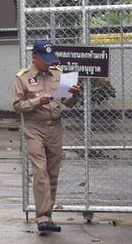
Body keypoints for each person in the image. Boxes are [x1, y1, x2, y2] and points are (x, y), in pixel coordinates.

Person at [13, 39, 81, 234]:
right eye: (44, 59)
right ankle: (42, 217)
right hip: (34, 128)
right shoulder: (22, 77)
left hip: (55, 128)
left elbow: (68, 102)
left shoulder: (59, 74)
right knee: (40, 170)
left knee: (52, 172)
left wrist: (75, 94)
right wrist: (36, 102)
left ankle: (48, 216)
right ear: (34, 57)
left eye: (50, 59)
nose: (48, 63)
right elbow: (17, 106)